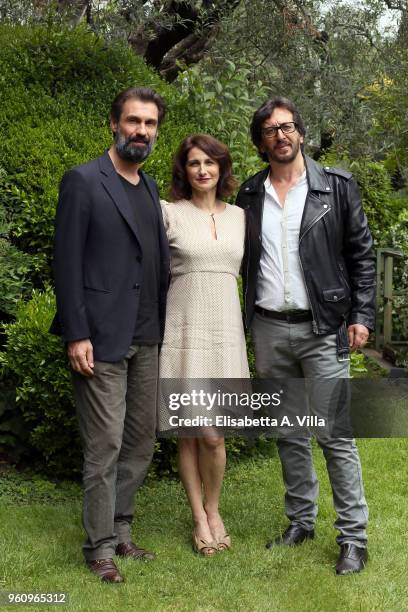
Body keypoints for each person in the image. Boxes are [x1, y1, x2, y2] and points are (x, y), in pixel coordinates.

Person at [236, 96, 376, 575]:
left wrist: (362, 315)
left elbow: (361, 256)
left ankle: (353, 539)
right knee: (289, 433)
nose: (282, 135)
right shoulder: (250, 195)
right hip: (270, 328)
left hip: (323, 328)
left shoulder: (335, 187)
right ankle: (301, 521)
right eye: (272, 129)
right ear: (261, 141)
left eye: (289, 126)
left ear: (301, 133)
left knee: (335, 435)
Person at [51, 87, 170, 583]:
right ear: (113, 124)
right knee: (104, 446)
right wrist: (77, 333)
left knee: (141, 441)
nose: (141, 131)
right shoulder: (83, 180)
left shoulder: (148, 187)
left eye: (150, 124)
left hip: (147, 335)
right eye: (133, 121)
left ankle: (121, 530)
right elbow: (66, 262)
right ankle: (98, 546)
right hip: (99, 338)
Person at [158, 134, 249, 556]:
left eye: (210, 162)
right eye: (194, 163)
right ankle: (199, 517)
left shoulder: (240, 217)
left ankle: (215, 510)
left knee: (214, 435)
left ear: (222, 168)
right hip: (184, 332)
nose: (202, 170)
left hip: (226, 334)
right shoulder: (167, 214)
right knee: (190, 433)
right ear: (184, 170)